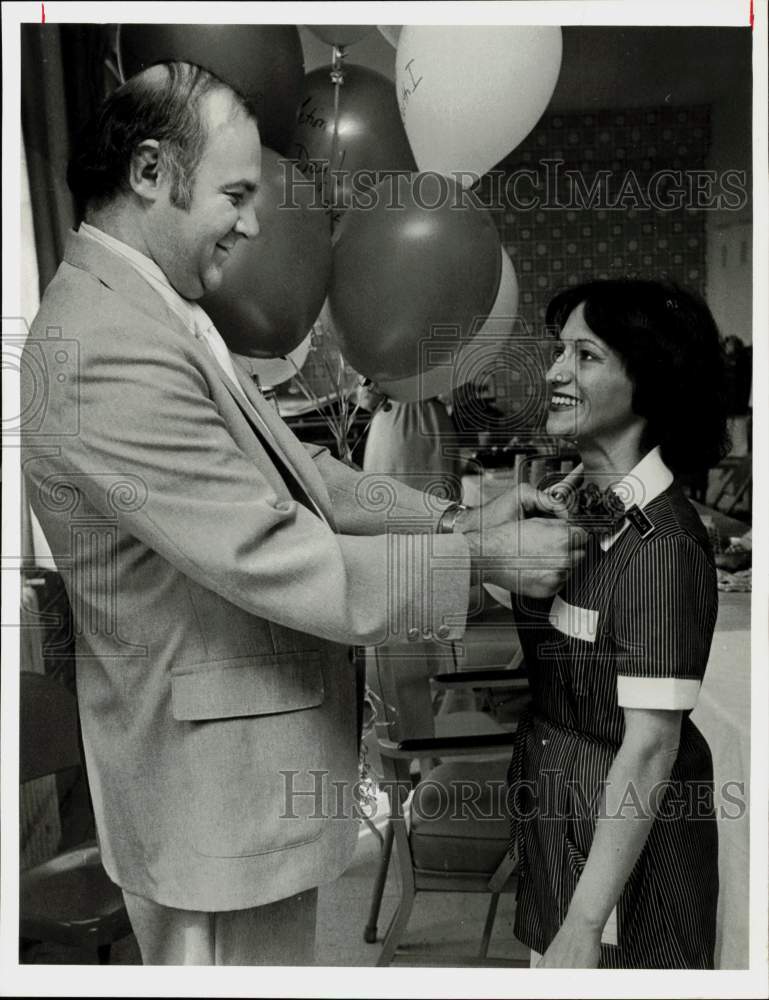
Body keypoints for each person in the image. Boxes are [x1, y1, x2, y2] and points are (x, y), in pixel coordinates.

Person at [20, 62, 585, 966]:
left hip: (233, 779)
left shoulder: (150, 305)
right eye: (235, 194)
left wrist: (452, 526)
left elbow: (300, 474)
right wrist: (480, 565)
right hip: (208, 790)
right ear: (151, 171)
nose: (251, 224)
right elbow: (275, 551)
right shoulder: (102, 345)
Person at [505, 279, 729, 969]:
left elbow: (649, 750)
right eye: (557, 352)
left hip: (623, 894)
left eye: (585, 355)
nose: (553, 373)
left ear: (648, 380)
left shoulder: (663, 549)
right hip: (559, 841)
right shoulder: (588, 509)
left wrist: (582, 921)